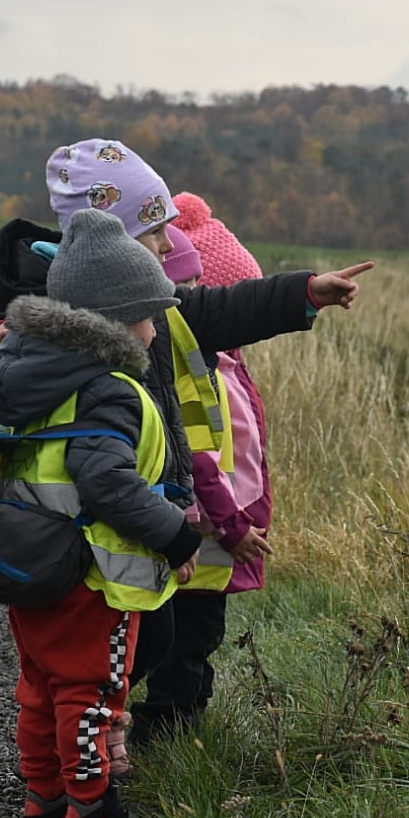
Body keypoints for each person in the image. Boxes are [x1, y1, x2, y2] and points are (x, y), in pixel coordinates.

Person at [0, 138, 372, 731]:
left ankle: (103, 733)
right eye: (152, 232)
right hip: (71, 519)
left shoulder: (155, 303)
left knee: (148, 636)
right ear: (109, 235)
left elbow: (229, 309)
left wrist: (306, 292)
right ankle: (81, 755)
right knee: (100, 641)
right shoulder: (37, 312)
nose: (168, 245)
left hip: (141, 506)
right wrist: (5, 344)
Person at [0, 210, 202, 818]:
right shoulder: (109, 389)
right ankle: (90, 812)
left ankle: (42, 802)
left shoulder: (36, 375)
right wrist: (177, 538)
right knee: (93, 691)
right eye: (147, 315)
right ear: (112, 320)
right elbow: (105, 482)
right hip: (93, 576)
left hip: (34, 565)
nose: (155, 328)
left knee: (41, 688)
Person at [131, 195, 276, 743]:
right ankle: (165, 726)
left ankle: (179, 723)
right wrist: (235, 525)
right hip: (205, 529)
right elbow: (204, 455)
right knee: (184, 636)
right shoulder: (198, 372)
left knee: (194, 636)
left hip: (211, 530)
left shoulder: (225, 366)